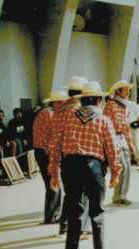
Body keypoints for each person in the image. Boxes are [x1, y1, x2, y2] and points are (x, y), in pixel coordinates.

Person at [48, 81, 122, 249]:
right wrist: (116, 172)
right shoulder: (104, 119)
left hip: (70, 166)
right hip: (93, 167)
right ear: (98, 100)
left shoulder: (67, 117)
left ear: (83, 100)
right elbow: (112, 149)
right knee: (96, 211)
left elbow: (55, 145)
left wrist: (54, 172)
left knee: (74, 210)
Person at [49, 76, 92, 238]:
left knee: (71, 194)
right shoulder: (82, 112)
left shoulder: (58, 112)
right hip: (82, 156)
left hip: (65, 158)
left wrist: (54, 166)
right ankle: (81, 228)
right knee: (85, 194)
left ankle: (64, 225)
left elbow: (55, 141)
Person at [33, 91, 68, 224]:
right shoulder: (49, 114)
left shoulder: (48, 113)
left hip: (44, 151)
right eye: (61, 102)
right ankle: (51, 216)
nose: (64, 104)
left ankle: (53, 214)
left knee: (54, 184)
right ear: (55, 103)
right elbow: (52, 137)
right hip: (46, 152)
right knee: (54, 183)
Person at [103, 80, 139, 206]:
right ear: (118, 91)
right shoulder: (111, 105)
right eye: (125, 90)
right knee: (122, 166)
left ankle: (122, 195)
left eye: (128, 90)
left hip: (121, 137)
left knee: (127, 166)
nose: (128, 92)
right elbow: (107, 124)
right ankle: (118, 197)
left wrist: (131, 144)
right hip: (113, 137)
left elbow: (126, 126)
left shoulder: (124, 106)